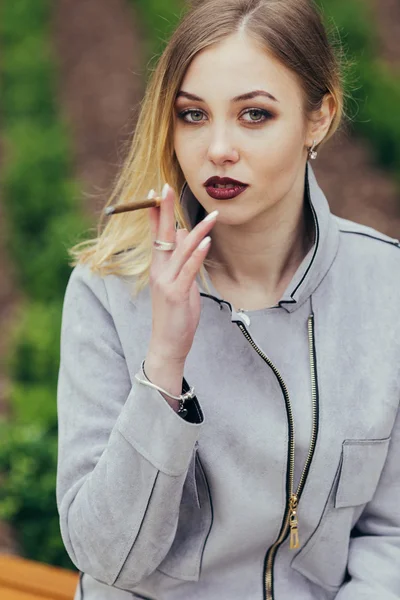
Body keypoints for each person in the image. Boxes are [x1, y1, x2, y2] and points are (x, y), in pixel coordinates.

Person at [56, 0, 400, 598]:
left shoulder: (386, 287)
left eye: (255, 115)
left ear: (319, 117)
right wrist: (164, 363)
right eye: (193, 115)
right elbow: (105, 557)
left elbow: (391, 536)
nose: (218, 148)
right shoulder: (108, 291)